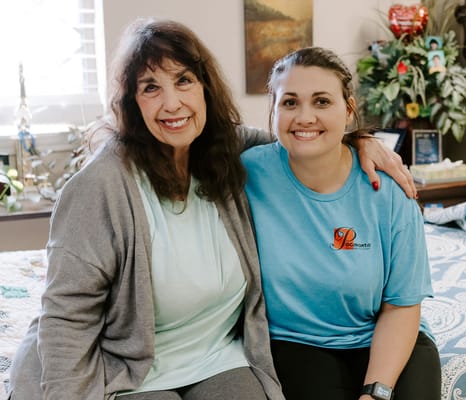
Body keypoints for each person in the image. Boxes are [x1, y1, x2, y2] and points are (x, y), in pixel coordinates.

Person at [8, 18, 415, 400]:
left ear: (205, 87)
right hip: (128, 365)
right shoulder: (101, 186)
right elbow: (67, 318)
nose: (172, 103)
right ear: (132, 102)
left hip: (219, 356)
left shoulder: (223, 149)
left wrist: (360, 141)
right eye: (150, 87)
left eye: (183, 80)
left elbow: (301, 139)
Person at [242, 47, 441, 400]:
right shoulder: (248, 172)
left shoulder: (389, 189)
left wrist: (376, 393)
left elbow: (401, 306)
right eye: (290, 102)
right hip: (298, 344)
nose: (305, 116)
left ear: (348, 110)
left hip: (389, 335)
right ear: (273, 108)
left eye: (322, 102)